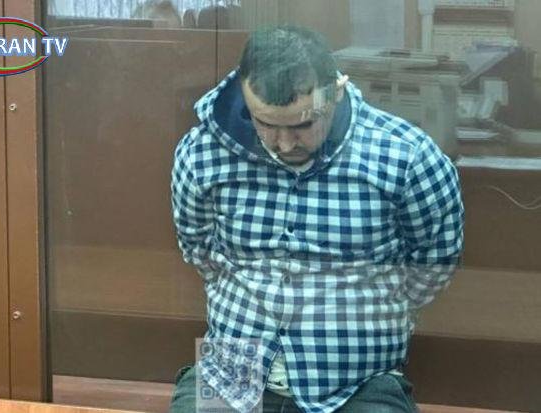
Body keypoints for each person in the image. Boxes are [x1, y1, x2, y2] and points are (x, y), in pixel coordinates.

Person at [170, 26, 464, 413]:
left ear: (337, 91)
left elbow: (434, 262)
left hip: (357, 380)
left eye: (303, 125)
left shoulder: (407, 157)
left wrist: (375, 308)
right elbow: (199, 249)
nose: (284, 143)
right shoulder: (201, 153)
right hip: (231, 371)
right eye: (266, 124)